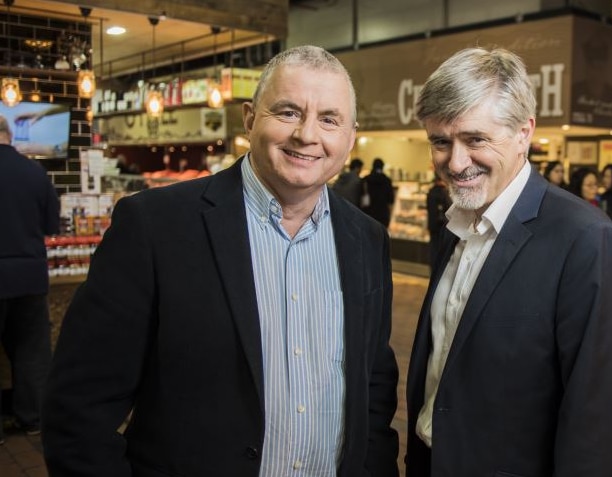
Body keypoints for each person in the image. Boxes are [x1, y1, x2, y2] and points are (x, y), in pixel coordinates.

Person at [42, 46, 400, 477]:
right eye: (287, 112)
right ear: (249, 118)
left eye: (329, 118)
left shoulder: (367, 239)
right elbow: (80, 407)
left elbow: (374, 384)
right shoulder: (155, 226)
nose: (308, 135)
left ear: (350, 134)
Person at [406, 47, 612, 477]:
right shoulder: (453, 225)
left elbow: (596, 421)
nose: (455, 163)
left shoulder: (587, 239)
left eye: (475, 139)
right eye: (440, 141)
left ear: (523, 132)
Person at [0, 115, 59, 444]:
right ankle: (33, 419)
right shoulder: (35, 172)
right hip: (29, 275)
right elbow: (52, 224)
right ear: (10, 136)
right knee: (32, 352)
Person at [425, 175, 451, 270]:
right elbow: (449, 209)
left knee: (433, 249)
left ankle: (433, 269)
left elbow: (428, 208)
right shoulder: (445, 192)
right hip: (443, 225)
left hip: (432, 225)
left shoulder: (430, 192)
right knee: (442, 250)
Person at [362, 157, 395, 227]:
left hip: (368, 213)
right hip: (383, 214)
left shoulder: (366, 179)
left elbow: (361, 197)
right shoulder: (387, 180)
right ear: (382, 167)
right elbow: (391, 199)